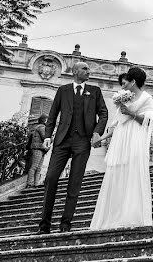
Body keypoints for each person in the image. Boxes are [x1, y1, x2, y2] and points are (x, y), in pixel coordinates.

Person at [36, 62, 108, 234]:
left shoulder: (95, 91)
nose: (88, 71)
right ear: (75, 72)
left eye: (88, 69)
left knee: (74, 183)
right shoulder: (63, 90)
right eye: (85, 69)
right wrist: (47, 136)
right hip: (62, 141)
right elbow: (52, 115)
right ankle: (44, 225)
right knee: (51, 179)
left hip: (82, 142)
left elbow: (104, 113)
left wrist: (97, 132)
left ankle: (65, 224)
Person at [90, 66, 153, 230]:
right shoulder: (124, 98)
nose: (123, 86)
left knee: (132, 175)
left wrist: (131, 113)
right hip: (120, 141)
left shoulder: (147, 98)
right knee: (117, 175)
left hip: (134, 140)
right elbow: (116, 124)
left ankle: (131, 216)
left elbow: (148, 122)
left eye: (126, 81)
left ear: (133, 81)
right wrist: (101, 138)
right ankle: (113, 216)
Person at [25, 114, 48, 187]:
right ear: (44, 120)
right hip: (38, 148)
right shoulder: (41, 127)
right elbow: (45, 137)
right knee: (35, 166)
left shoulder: (39, 127)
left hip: (41, 148)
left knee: (38, 168)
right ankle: (29, 183)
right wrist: (52, 136)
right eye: (47, 119)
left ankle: (35, 184)